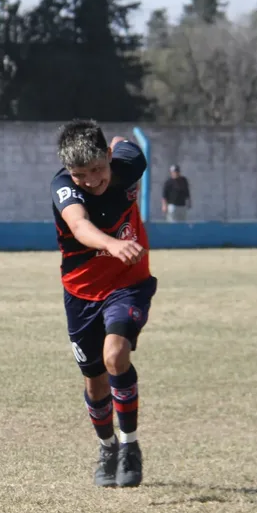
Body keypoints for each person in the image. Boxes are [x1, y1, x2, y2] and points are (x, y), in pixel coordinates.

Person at [50, 119, 157, 489]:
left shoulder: (128, 164)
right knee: (95, 381)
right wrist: (111, 244)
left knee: (116, 356)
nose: (92, 180)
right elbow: (79, 227)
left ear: (110, 157)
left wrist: (119, 141)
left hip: (129, 283)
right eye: (81, 174)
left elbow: (126, 143)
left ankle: (129, 445)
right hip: (80, 293)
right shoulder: (63, 189)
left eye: (98, 169)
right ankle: (107, 447)